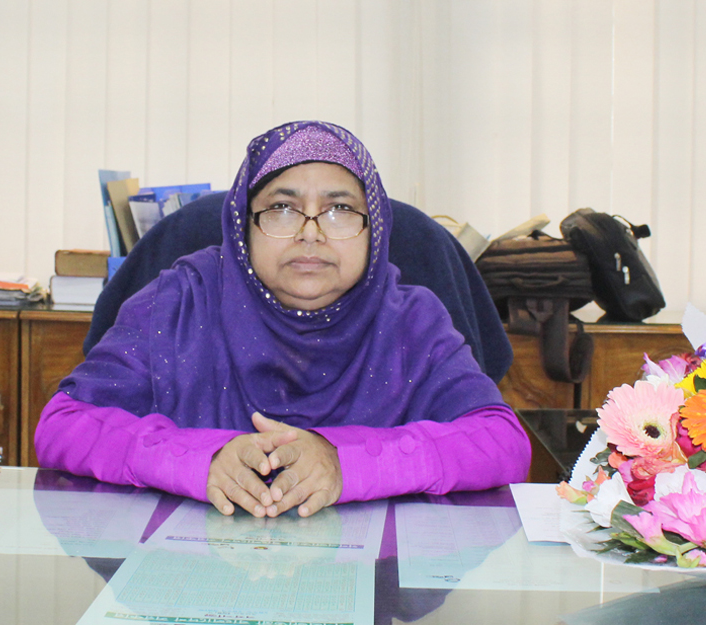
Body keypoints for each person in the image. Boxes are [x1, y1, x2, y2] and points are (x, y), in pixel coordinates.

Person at [35, 121, 531, 518]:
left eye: (339, 209)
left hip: (366, 581)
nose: (310, 233)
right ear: (243, 225)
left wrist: (345, 463)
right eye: (281, 209)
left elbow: (501, 442)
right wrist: (201, 459)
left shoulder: (412, 321)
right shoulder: (178, 301)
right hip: (193, 577)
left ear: (374, 229)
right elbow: (62, 425)